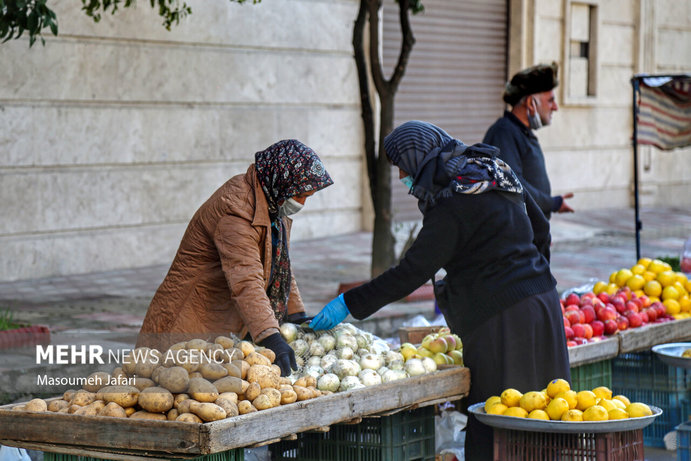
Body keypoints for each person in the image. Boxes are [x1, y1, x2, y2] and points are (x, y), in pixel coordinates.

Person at [309, 121, 570, 461]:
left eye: (403, 167)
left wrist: (349, 302)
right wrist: (531, 277)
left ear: (420, 158)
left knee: (499, 420)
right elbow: (542, 229)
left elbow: (411, 272)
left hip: (503, 320)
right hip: (544, 304)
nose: (402, 176)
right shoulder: (493, 169)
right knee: (547, 414)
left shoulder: (453, 201)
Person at [136, 139, 333, 376]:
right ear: (282, 180)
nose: (301, 203)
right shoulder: (236, 210)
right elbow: (246, 278)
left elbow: (279, 264)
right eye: (300, 195)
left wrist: (296, 314)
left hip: (224, 318)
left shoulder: (273, 201)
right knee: (163, 382)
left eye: (307, 197)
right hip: (191, 318)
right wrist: (271, 337)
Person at [483, 62, 574, 219]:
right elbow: (512, 184)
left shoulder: (520, 132)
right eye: (550, 100)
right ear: (531, 103)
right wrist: (552, 203)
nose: (555, 107)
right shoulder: (504, 133)